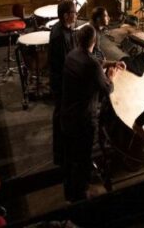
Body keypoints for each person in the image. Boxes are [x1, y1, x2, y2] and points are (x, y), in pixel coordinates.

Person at [60, 25, 119, 202]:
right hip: (83, 119)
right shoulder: (92, 64)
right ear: (95, 41)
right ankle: (82, 196)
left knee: (72, 157)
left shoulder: (72, 55)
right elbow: (107, 88)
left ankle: (70, 191)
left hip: (67, 115)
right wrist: (111, 75)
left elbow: (91, 65)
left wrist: (110, 63)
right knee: (84, 158)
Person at [49, 0, 78, 165]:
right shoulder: (60, 36)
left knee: (62, 116)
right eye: (74, 13)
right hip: (62, 83)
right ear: (66, 15)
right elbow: (66, 63)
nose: (76, 15)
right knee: (61, 117)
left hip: (62, 81)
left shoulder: (62, 29)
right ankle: (60, 155)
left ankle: (63, 151)